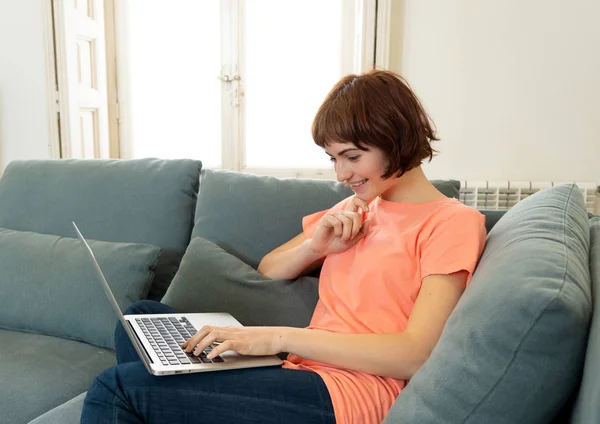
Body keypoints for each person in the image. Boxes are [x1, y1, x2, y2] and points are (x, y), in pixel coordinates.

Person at [81, 69, 486, 424]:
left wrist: (277, 338)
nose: (342, 173)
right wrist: (317, 246)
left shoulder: (452, 223)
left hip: (355, 393)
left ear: (397, 140)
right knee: (140, 319)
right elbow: (269, 269)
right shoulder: (358, 206)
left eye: (352, 156)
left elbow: (414, 354)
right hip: (300, 369)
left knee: (117, 389)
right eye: (333, 158)